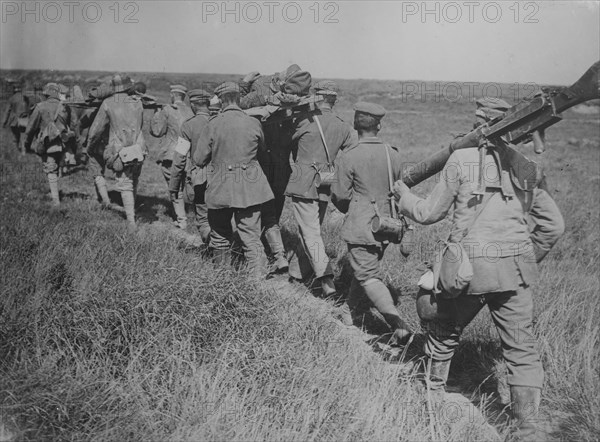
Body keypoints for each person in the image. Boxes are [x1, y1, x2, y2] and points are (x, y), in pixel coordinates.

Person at [392, 98, 565, 441]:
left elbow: (428, 213)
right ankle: (527, 429)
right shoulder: (528, 167)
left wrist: (402, 195)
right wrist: (526, 259)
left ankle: (432, 395)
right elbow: (553, 227)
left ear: (480, 124)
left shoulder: (461, 158)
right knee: (521, 350)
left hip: (468, 268)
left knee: (441, 324)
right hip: (515, 270)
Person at [331, 102, 412, 343]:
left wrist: (353, 211)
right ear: (379, 125)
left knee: (367, 275)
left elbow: (341, 196)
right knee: (366, 268)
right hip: (387, 226)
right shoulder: (393, 154)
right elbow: (398, 190)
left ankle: (398, 324)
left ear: (356, 124)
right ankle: (350, 310)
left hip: (362, 226)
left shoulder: (349, 156)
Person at [239, 64, 312, 273]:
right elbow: (241, 105)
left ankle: (266, 254)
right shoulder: (263, 89)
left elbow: (237, 106)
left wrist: (243, 84)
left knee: (267, 210)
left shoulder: (296, 98)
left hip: (270, 165)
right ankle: (273, 253)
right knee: (267, 210)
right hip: (270, 163)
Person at [195, 82, 273, 276]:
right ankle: (258, 281)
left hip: (220, 188)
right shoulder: (254, 122)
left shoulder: (213, 124)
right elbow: (262, 151)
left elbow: (199, 159)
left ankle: (222, 279)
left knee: (220, 236)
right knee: (251, 237)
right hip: (250, 187)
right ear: (239, 99)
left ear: (221, 101)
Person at [287, 80, 356, 296]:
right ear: (333, 100)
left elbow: (287, 147)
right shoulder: (343, 125)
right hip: (325, 183)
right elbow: (353, 154)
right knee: (310, 231)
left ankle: (326, 279)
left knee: (310, 233)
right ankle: (296, 274)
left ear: (316, 97)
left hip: (303, 183)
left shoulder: (303, 121)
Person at [87, 74, 146, 227]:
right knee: (134, 179)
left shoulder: (108, 103)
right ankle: (133, 211)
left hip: (119, 150)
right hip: (138, 148)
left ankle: (131, 222)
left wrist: (90, 147)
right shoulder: (138, 103)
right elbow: (141, 125)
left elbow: (96, 130)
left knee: (125, 183)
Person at [169, 89, 212, 243]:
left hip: (200, 180)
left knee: (203, 219)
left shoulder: (188, 126)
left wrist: (174, 186)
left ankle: (213, 250)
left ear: (193, 105)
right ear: (208, 104)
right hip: (223, 178)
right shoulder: (219, 121)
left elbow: (180, 158)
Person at [150, 84, 194, 229]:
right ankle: (191, 215)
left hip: (171, 154)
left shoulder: (167, 110)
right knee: (187, 185)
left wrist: (156, 114)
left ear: (173, 95)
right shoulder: (190, 111)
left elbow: (157, 132)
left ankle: (182, 220)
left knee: (175, 188)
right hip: (188, 155)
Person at [23, 83, 71, 206]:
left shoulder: (40, 107)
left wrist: (26, 145)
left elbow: (30, 129)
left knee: (50, 170)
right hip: (63, 143)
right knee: (55, 167)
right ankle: (56, 193)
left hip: (47, 143)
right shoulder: (64, 106)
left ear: (47, 94)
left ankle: (56, 201)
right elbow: (69, 125)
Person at [3, 84, 29, 153]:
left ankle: (17, 149)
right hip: (24, 119)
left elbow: (7, 111)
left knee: (16, 136)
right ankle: (24, 150)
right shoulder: (25, 98)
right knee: (23, 135)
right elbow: (28, 109)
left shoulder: (11, 98)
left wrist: (4, 122)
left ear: (14, 90)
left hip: (14, 120)